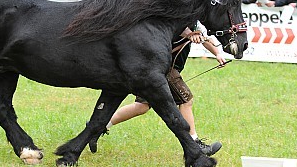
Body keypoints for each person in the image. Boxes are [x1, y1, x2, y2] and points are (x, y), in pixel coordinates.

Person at [89, 23, 226, 156]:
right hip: (164, 69)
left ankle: (97, 127)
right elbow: (179, 29)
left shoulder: (195, 23)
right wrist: (190, 34)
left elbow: (204, 38)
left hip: (157, 69)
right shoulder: (179, 18)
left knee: (141, 106)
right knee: (186, 100)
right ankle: (195, 143)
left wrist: (218, 54)